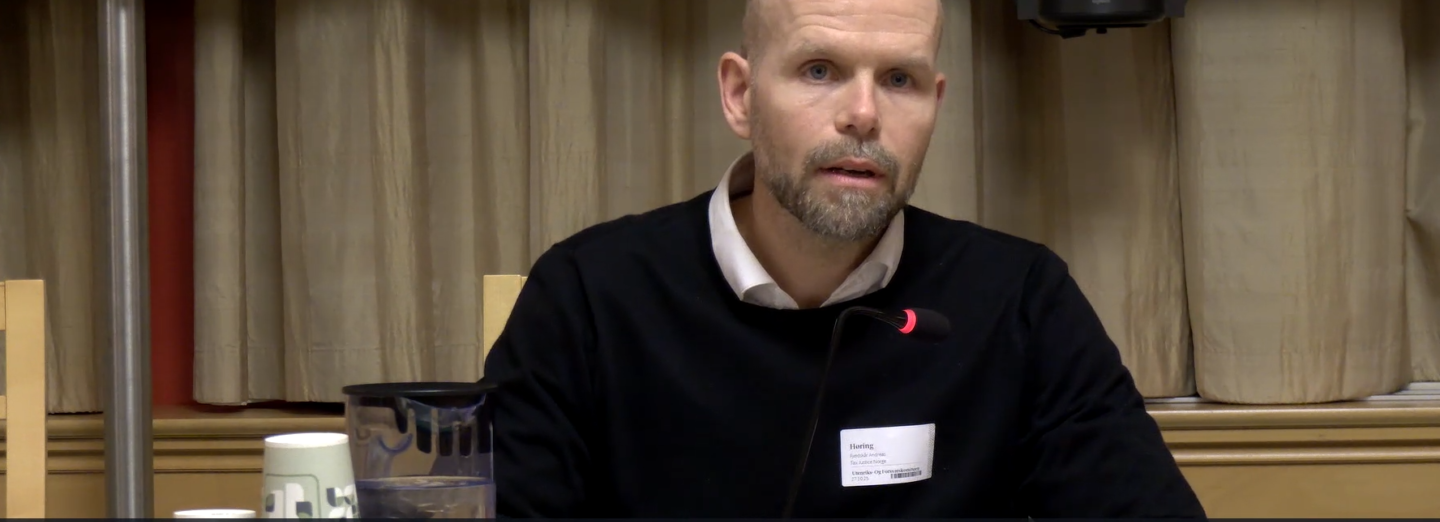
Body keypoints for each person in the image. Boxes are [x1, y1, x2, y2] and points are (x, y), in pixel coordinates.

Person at [481, 0, 1206, 517]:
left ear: (935, 105)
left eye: (899, 80)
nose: (863, 114)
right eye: (820, 70)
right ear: (740, 95)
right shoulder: (589, 294)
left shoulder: (1019, 297)